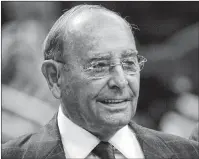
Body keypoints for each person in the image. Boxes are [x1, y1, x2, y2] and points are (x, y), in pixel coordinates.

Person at [2, 4, 199, 159]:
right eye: (99, 66)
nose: (121, 81)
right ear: (54, 76)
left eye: (129, 63)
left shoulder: (187, 153)